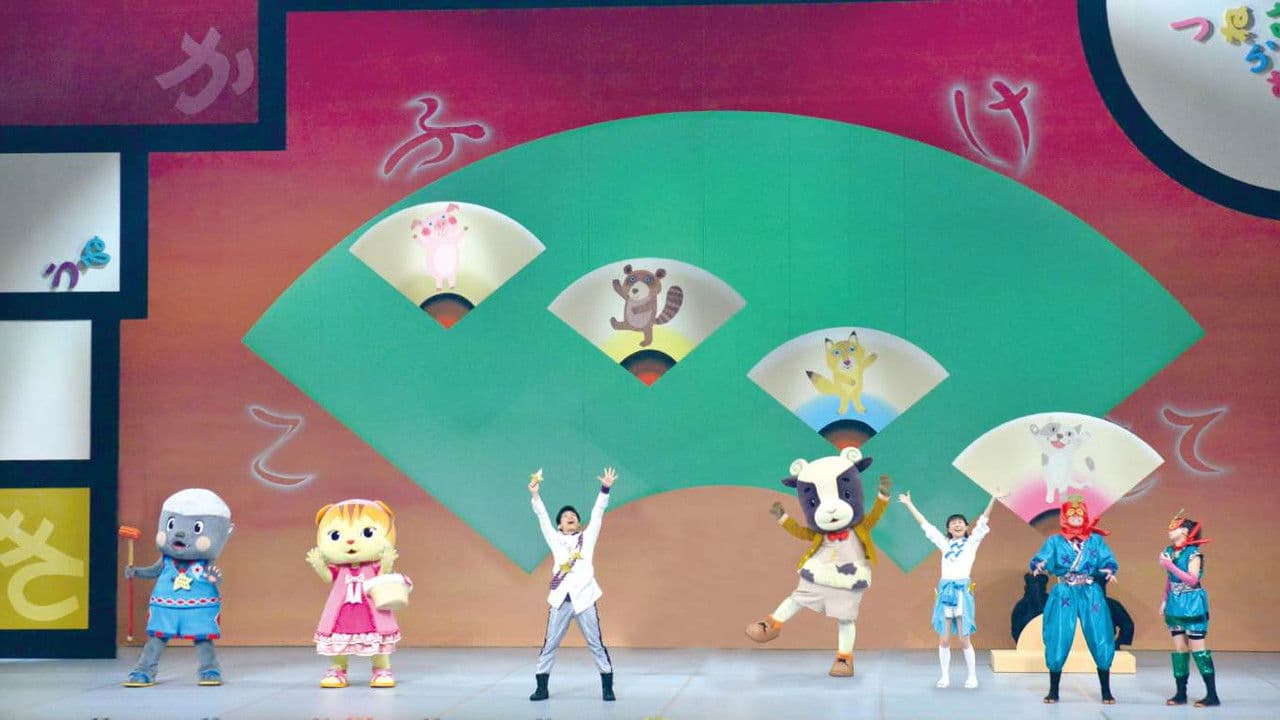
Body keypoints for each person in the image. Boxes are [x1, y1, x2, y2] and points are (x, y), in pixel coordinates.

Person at [898, 489, 1003, 688]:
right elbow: (926, 526)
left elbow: (983, 520)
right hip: (946, 592)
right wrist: (909, 504)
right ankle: (944, 676)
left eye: (960, 522)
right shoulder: (944, 544)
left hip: (962, 592)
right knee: (944, 639)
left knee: (964, 638)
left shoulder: (971, 543)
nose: (957, 524)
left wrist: (993, 499)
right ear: (948, 528)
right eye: (953, 523)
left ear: (966, 526)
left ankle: (972, 676)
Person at [528, 467, 617, 702]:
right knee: (550, 644)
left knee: (595, 643)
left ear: (578, 522)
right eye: (565, 516)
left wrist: (605, 488)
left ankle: (607, 687)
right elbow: (542, 517)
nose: (570, 516)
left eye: (573, 515)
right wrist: (535, 495)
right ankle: (541, 687)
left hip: (585, 600)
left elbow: (597, 513)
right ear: (560, 525)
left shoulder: (587, 538)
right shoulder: (555, 539)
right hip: (560, 601)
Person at [1029, 495, 1118, 704]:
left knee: (1100, 633)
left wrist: (1109, 569)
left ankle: (1106, 690)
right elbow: (1041, 558)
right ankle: (1053, 690)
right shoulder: (1055, 541)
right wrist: (1038, 565)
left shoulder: (1095, 540)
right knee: (1058, 634)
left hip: (1090, 591)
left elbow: (1107, 560)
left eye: (1079, 514)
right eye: (1071, 514)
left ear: (1085, 517)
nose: (1076, 517)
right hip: (1064, 591)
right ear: (1065, 518)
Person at [1160, 509, 1219, 707]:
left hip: (1192, 603)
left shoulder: (1194, 554)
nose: (1170, 530)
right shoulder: (1169, 551)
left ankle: (1212, 695)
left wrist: (1170, 566)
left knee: (1198, 650)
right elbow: (1170, 580)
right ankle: (1180, 693)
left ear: (1185, 531)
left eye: (1174, 527)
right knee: (1180, 649)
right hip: (1175, 604)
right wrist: (1164, 600)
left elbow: (1192, 580)